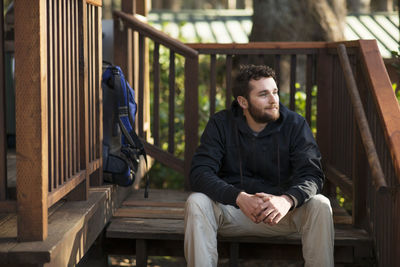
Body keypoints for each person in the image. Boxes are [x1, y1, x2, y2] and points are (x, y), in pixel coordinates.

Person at [184, 65, 334, 267]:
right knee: (197, 201)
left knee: (320, 204)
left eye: (274, 92)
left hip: (282, 214)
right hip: (234, 212)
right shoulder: (221, 124)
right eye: (264, 94)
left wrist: (287, 200)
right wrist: (239, 197)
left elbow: (312, 174)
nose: (274, 100)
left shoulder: (295, 125)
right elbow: (200, 173)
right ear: (243, 102)